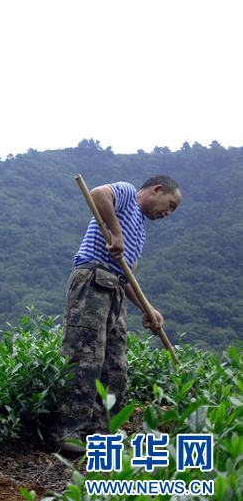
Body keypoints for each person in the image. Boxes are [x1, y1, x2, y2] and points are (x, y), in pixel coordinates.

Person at [49, 175, 182, 456]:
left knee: (115, 368)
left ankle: (102, 434)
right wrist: (116, 232)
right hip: (93, 279)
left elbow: (128, 277)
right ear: (157, 190)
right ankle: (68, 432)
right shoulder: (127, 193)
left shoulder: (141, 232)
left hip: (116, 291)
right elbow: (98, 194)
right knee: (86, 358)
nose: (168, 214)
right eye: (170, 205)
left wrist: (148, 309)